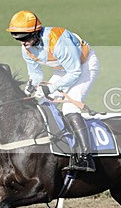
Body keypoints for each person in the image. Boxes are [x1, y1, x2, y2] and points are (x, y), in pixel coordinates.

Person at [6, 10, 100, 172]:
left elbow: (75, 72)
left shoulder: (58, 40)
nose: (23, 43)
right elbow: (36, 74)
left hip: (84, 66)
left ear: (36, 32)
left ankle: (86, 157)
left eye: (25, 38)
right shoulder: (26, 48)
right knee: (43, 104)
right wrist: (31, 85)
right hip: (64, 70)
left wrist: (50, 88)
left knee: (70, 107)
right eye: (18, 39)